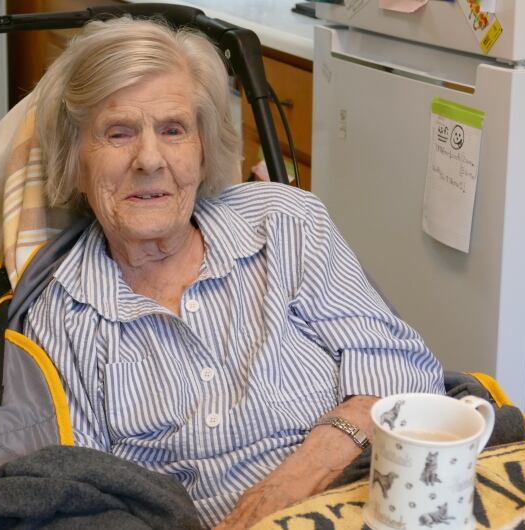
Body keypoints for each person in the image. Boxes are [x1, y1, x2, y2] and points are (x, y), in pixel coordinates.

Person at [23, 16, 444, 529]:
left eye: (174, 129)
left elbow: (404, 373)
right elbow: (87, 499)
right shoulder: (63, 318)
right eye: (118, 133)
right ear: (76, 159)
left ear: (203, 152)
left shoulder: (286, 225)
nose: (149, 159)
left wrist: (300, 475)